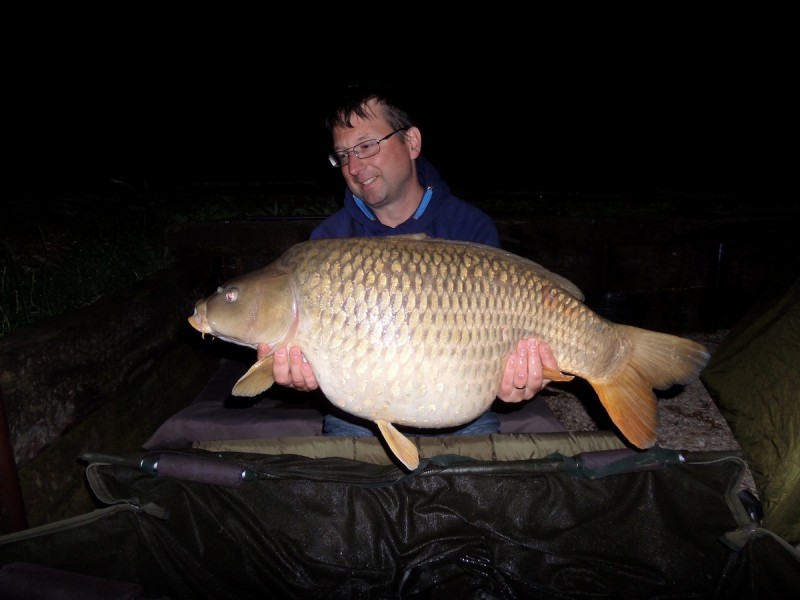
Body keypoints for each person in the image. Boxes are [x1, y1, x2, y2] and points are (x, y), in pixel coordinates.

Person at [258, 81, 560, 436]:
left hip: (461, 413)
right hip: (358, 417)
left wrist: (517, 380)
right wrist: (299, 376)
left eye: (367, 146)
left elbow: (505, 354)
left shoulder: (469, 227)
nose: (354, 167)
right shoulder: (327, 244)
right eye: (343, 155)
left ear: (411, 142)